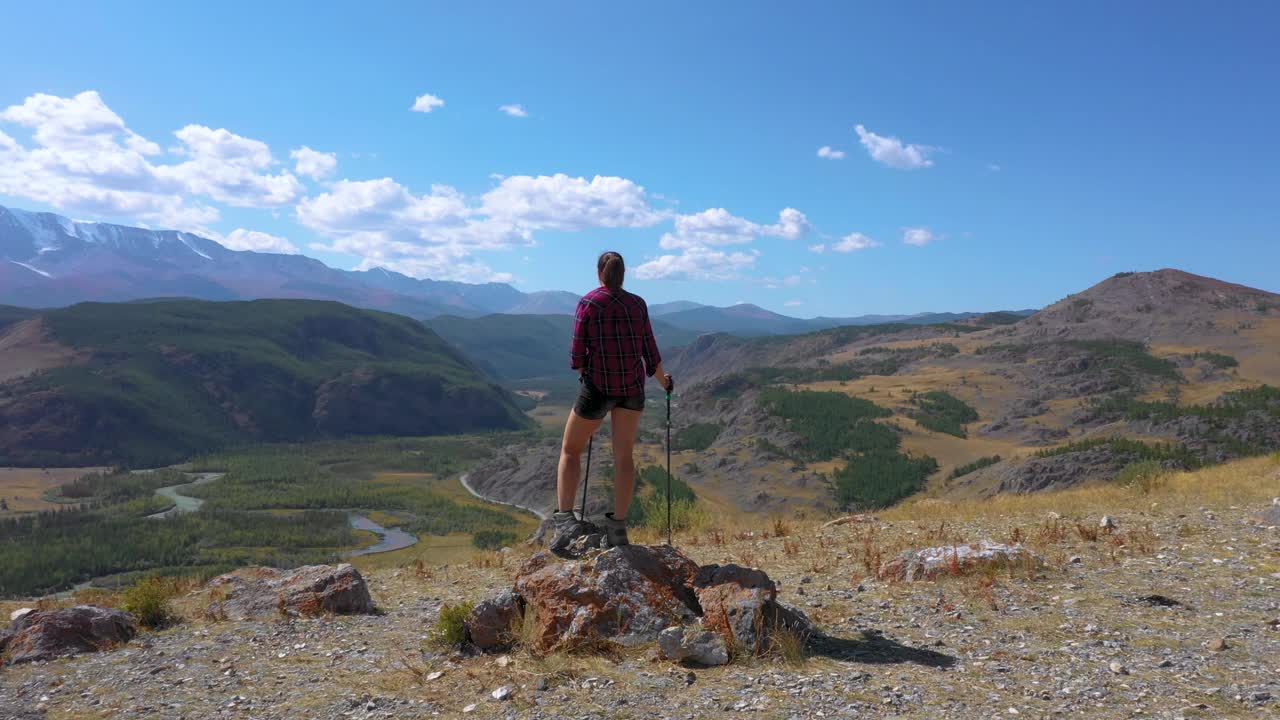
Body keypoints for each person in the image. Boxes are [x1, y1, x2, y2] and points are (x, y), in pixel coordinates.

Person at [550, 250, 672, 555]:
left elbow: (577, 354)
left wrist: (586, 370)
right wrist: (663, 381)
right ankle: (617, 528)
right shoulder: (638, 304)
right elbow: (650, 350)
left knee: (570, 449)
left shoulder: (589, 303)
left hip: (598, 388)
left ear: (599, 273)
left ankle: (565, 522)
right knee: (624, 457)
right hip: (631, 390)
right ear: (623, 275)